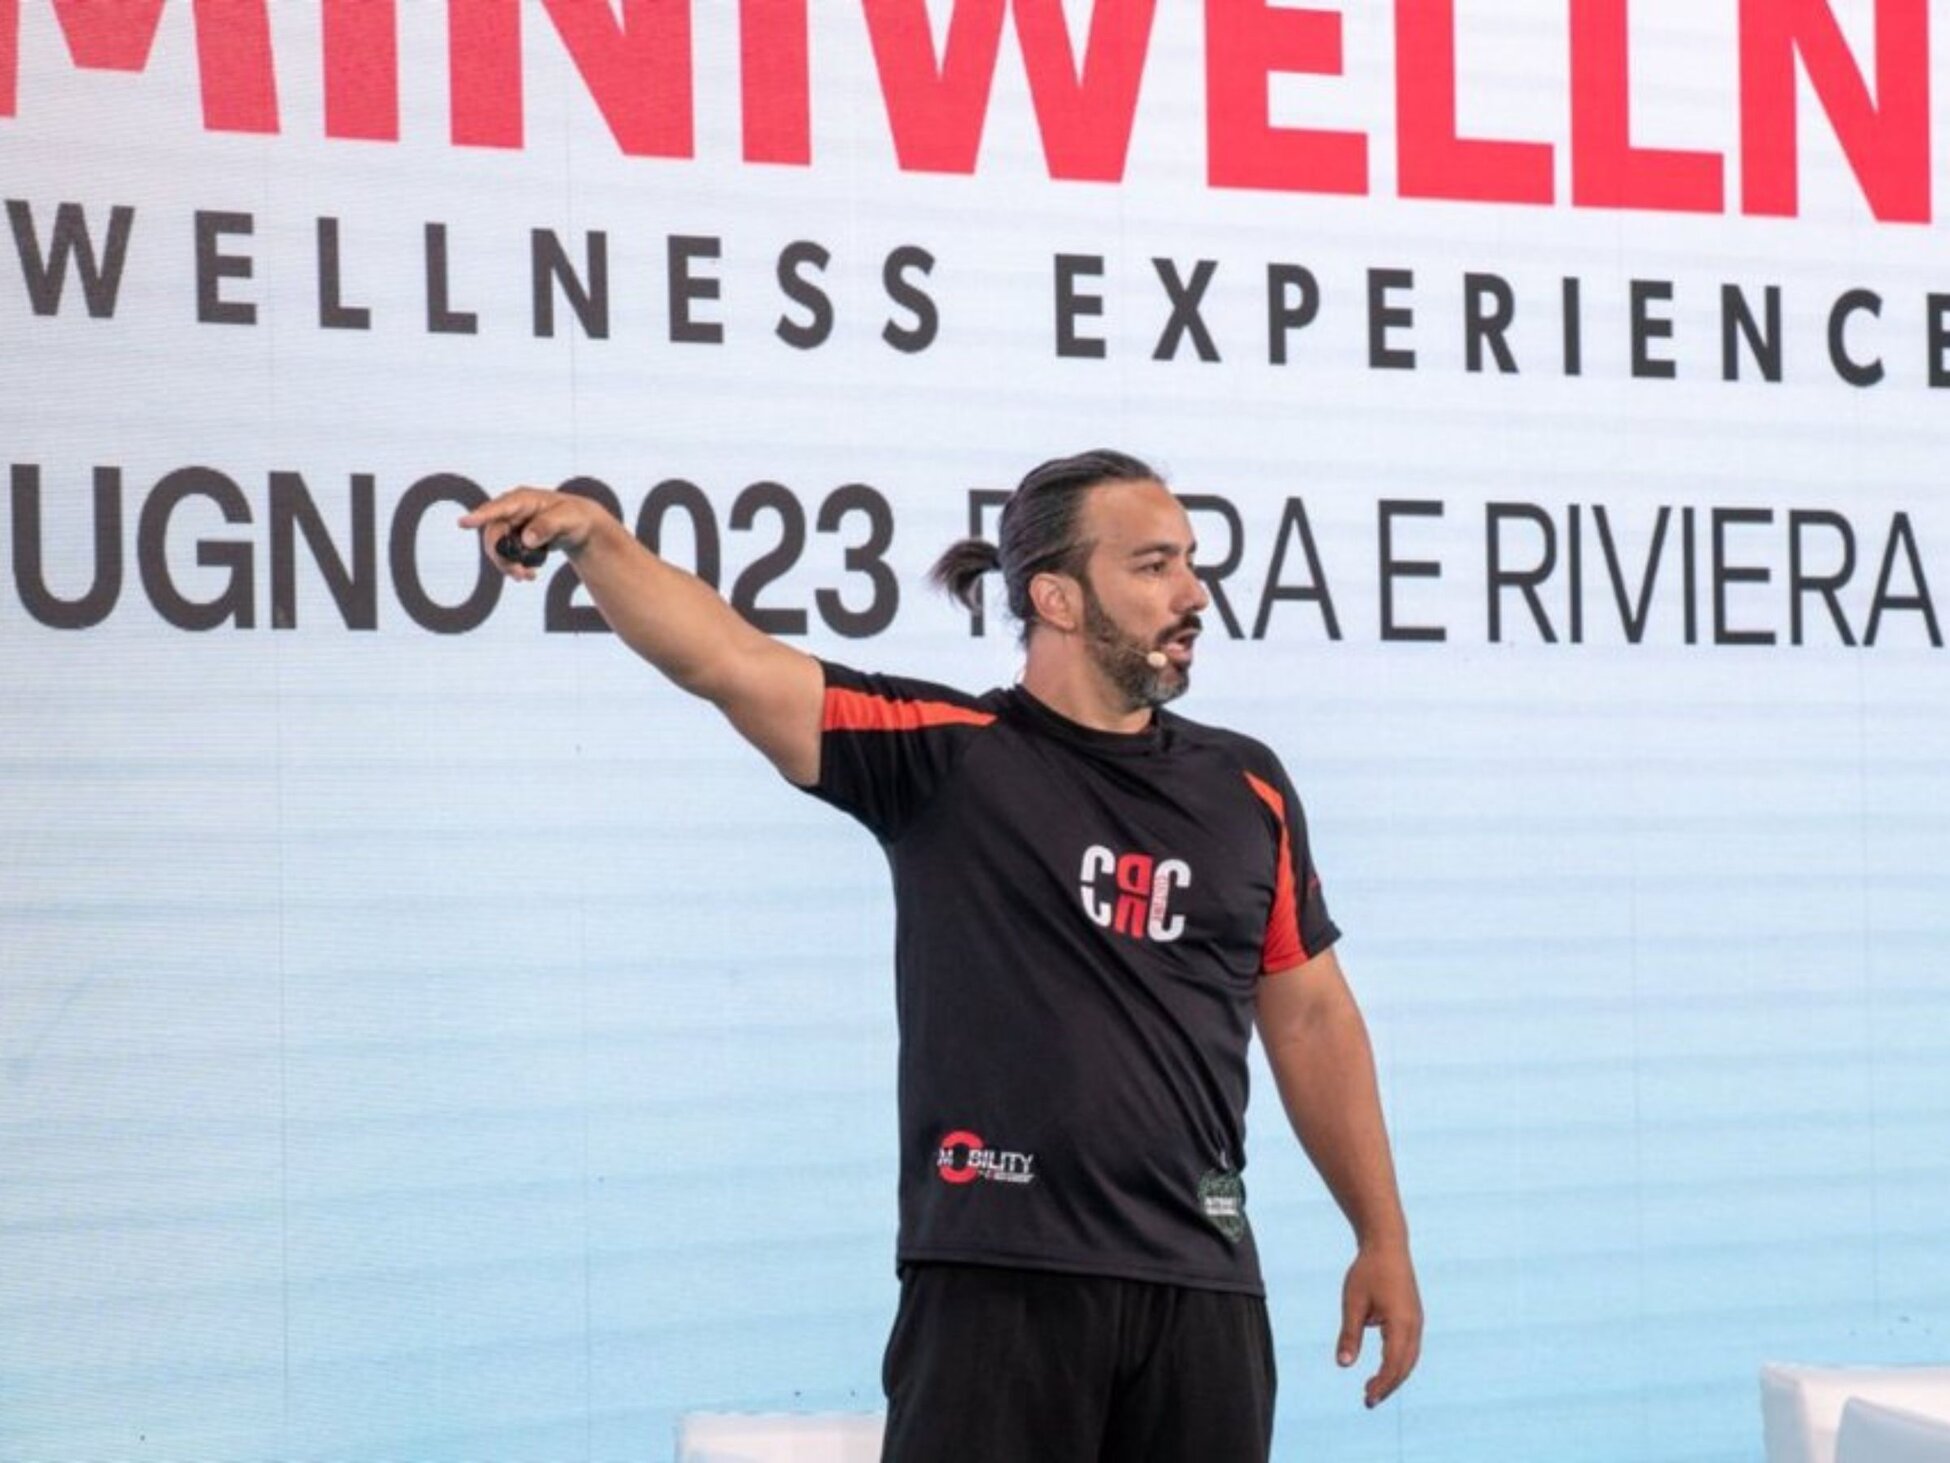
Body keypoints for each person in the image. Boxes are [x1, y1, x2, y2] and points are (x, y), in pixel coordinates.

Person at [461, 449, 1422, 1462]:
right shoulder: (947, 751)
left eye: (1189, 561)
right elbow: (729, 660)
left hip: (1203, 1293)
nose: (1192, 594)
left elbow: (1311, 1016)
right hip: (997, 1283)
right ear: (1055, 596)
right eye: (1153, 566)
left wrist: (1382, 1235)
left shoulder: (1247, 787)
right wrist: (597, 539)